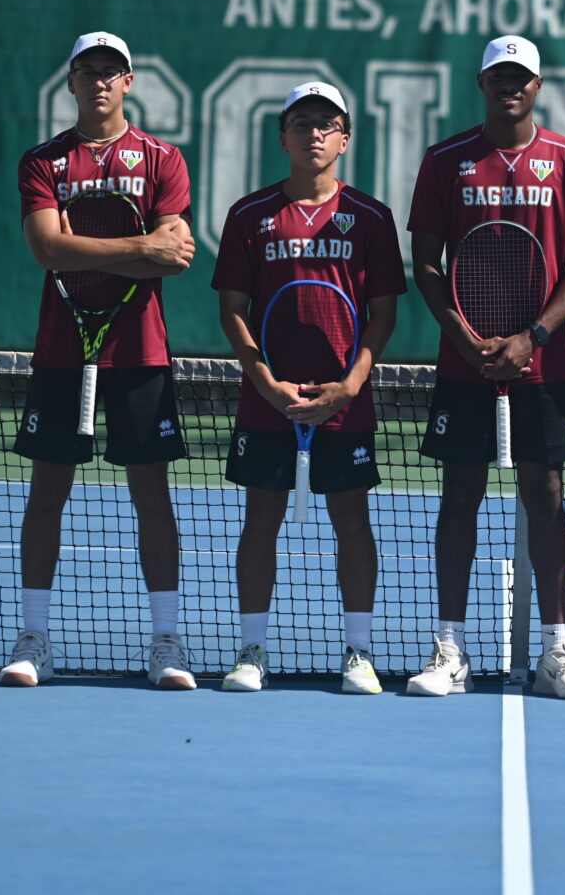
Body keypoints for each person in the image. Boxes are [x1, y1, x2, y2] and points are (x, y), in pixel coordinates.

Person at [406, 35, 565, 699]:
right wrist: (463, 335)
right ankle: (450, 648)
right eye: (499, 76)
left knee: (545, 494)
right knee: (459, 493)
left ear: (538, 86)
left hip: (543, 365)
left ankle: (556, 649)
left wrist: (538, 333)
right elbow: (428, 264)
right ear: (482, 82)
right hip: (464, 361)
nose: (509, 86)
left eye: (520, 77)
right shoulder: (445, 161)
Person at [2, 31, 198, 688]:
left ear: (129, 81)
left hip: (140, 352)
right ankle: (34, 638)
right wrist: (139, 244)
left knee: (152, 496)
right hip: (62, 353)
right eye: (88, 71)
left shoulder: (163, 159)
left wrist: (90, 245)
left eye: (111, 72)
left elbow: (175, 252)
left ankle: (166, 641)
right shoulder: (43, 162)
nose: (100, 82)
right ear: (72, 81)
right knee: (47, 494)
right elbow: (46, 249)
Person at [211, 81, 404, 694]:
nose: (314, 133)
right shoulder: (249, 214)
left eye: (327, 124)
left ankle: (359, 652)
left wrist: (349, 385)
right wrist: (262, 379)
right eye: (302, 123)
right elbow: (233, 309)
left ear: (345, 139)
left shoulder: (371, 217)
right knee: (259, 518)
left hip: (343, 402)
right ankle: (251, 650)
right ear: (282, 137)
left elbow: (382, 313)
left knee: (352, 519)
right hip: (269, 401)